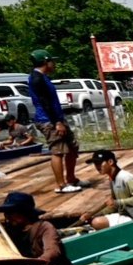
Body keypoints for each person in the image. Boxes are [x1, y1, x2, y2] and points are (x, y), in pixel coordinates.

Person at [27, 49, 82, 194]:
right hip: (48, 120)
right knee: (58, 151)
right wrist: (57, 122)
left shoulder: (43, 77)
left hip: (57, 118)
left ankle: (71, 178)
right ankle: (61, 185)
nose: (54, 64)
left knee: (72, 147)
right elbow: (45, 103)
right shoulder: (37, 79)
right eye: (52, 61)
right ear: (46, 62)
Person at [0, 192, 71, 265]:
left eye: (11, 212)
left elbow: (52, 252)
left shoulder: (44, 227)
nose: (7, 216)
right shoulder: (7, 231)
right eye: (6, 213)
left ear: (24, 212)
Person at [79, 150, 133, 229]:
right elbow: (114, 206)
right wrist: (93, 215)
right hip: (124, 215)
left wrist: (117, 202)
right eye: (95, 164)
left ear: (110, 162)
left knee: (97, 222)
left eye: (99, 163)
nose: (97, 167)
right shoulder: (112, 179)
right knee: (93, 220)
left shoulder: (126, 177)